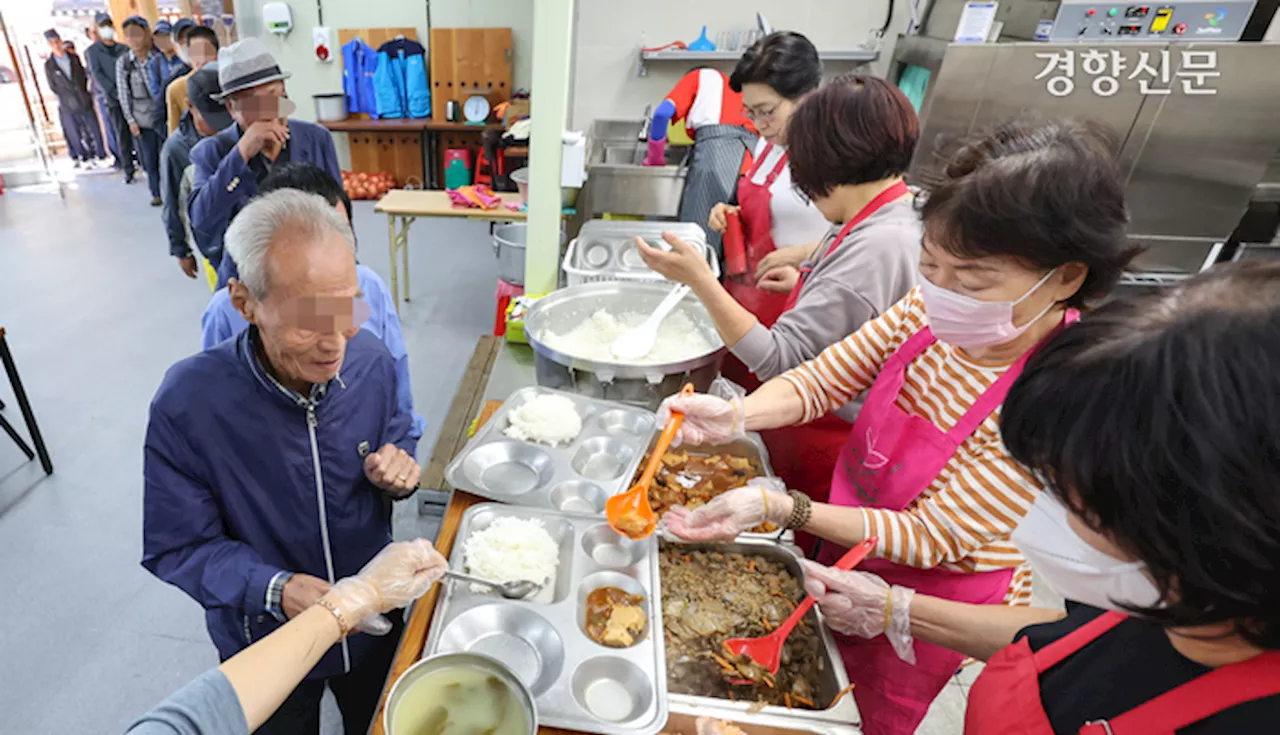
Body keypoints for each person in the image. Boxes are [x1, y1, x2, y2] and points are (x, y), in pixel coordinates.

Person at [660, 119, 1140, 735]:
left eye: (972, 279)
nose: (943, 291)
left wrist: (786, 509)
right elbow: (822, 379)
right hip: (850, 545)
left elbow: (934, 535)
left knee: (864, 713)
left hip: (937, 594)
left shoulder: (1061, 392)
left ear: (1067, 277)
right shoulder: (927, 307)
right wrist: (737, 413)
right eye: (933, 265)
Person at [803, 261, 1280, 734]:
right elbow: (1057, 635)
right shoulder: (1173, 601)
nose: (1054, 517)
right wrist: (895, 608)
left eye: (1082, 506)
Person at [142, 189, 423, 735]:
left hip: (372, 622)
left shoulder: (371, 362)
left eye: (345, 310)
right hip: (266, 644)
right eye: (306, 321)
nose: (333, 343)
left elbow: (397, 435)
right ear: (243, 302)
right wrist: (274, 588)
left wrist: (398, 472)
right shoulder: (189, 404)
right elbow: (179, 545)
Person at [640, 75, 922, 528]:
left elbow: (781, 361)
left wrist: (699, 280)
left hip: (832, 443)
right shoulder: (888, 210)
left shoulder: (877, 247)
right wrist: (808, 278)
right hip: (822, 425)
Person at [202, 162, 428, 442]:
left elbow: (397, 388)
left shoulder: (368, 287)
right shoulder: (225, 313)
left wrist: (401, 450)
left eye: (341, 233)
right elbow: (218, 407)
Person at [127, 539, 448, 735]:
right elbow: (200, 722)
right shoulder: (185, 426)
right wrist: (351, 598)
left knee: (371, 714)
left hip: (368, 641)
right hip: (259, 638)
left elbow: (192, 720)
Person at [189, 37, 341, 282]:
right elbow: (202, 221)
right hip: (248, 284)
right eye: (250, 101)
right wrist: (241, 153)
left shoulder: (316, 139)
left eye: (271, 94)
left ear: (283, 91)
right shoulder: (212, 152)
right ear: (231, 108)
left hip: (314, 275)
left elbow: (339, 213)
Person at [710, 32, 832, 330]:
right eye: (750, 112)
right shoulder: (768, 144)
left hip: (797, 303)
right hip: (744, 298)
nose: (758, 124)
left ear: (808, 96)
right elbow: (772, 210)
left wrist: (804, 255)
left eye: (766, 111)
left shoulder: (834, 156)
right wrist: (731, 214)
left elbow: (868, 241)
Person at [642, 67, 757, 253]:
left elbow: (662, 114)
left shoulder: (698, 76)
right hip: (753, 159)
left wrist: (655, 159)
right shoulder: (737, 88)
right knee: (736, 243)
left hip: (717, 155)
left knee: (700, 239)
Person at [162, 66, 234, 280]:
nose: (219, 126)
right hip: (214, 245)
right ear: (190, 106)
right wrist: (181, 249)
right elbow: (173, 202)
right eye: (210, 117)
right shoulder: (176, 150)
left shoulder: (239, 131)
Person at [116, 15, 166, 205]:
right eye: (128, 35)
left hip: (162, 114)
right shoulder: (124, 63)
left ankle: (173, 190)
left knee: (168, 155)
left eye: (137, 34)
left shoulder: (158, 57)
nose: (133, 39)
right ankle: (155, 193)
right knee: (149, 157)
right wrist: (131, 120)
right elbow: (123, 93)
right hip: (142, 117)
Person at [42, 29, 106, 168]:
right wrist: (66, 95)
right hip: (67, 102)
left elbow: (82, 76)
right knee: (75, 132)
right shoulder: (49, 65)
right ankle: (83, 157)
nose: (56, 45)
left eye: (57, 41)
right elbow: (53, 86)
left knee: (93, 128)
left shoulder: (73, 58)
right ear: (49, 45)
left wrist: (82, 91)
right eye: (52, 43)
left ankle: (100, 155)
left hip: (83, 98)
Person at [85, 12, 131, 176]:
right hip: (112, 98)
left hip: (130, 97)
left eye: (108, 25)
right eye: (102, 26)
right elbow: (97, 74)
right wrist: (114, 92)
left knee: (137, 131)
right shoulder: (93, 52)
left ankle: (141, 161)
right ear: (97, 29)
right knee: (120, 132)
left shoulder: (124, 48)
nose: (106, 29)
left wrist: (127, 91)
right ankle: (127, 167)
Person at [164, 24, 218, 135]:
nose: (202, 60)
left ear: (217, 53)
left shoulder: (228, 81)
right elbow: (174, 133)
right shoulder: (176, 89)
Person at [146, 20, 189, 101]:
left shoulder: (183, 57)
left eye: (165, 36)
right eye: (158, 38)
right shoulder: (155, 62)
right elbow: (154, 89)